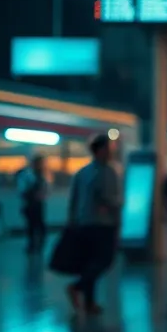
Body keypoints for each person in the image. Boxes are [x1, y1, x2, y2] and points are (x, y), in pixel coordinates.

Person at [66, 134, 122, 314]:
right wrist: (118, 213)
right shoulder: (108, 171)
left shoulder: (82, 172)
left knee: (89, 262)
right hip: (103, 224)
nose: (111, 152)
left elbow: (73, 199)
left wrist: (73, 220)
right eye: (108, 148)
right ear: (100, 150)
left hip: (84, 224)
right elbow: (108, 199)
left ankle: (89, 303)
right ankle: (78, 287)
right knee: (105, 260)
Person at [16, 155, 49, 254]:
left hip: (35, 203)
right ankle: (35, 244)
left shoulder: (36, 175)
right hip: (32, 203)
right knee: (33, 225)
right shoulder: (31, 174)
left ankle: (37, 244)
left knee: (37, 224)